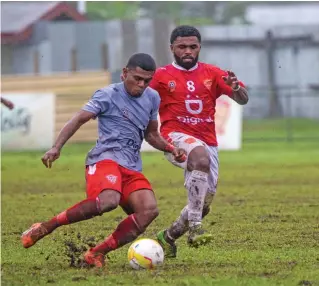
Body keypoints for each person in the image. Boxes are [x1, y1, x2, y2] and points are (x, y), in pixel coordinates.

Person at [20, 53, 186, 267]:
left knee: (149, 210)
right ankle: (45, 227)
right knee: (109, 201)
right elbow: (79, 118)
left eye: (147, 80)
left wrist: (172, 148)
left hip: (131, 166)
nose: (142, 84)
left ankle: (96, 253)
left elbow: (152, 134)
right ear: (124, 73)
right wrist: (56, 147)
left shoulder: (152, 97)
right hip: (104, 160)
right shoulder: (107, 94)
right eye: (137, 78)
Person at [148, 25, 249, 258]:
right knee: (200, 159)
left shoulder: (213, 73)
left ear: (199, 47)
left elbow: (242, 99)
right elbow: (139, 99)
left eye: (193, 47)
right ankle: (195, 229)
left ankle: (168, 236)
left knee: (202, 204)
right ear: (172, 48)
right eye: (182, 46)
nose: (187, 51)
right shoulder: (161, 76)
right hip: (174, 137)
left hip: (208, 141)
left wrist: (236, 89)